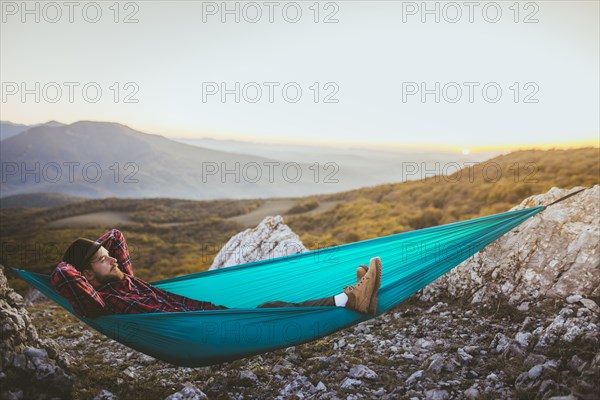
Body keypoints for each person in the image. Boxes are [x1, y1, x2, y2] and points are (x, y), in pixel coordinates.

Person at [51, 229, 382, 318]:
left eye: (109, 257)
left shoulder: (127, 279)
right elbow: (64, 275)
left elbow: (116, 235)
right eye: (103, 261)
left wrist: (99, 258)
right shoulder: (107, 300)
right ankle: (350, 299)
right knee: (271, 311)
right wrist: (83, 264)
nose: (113, 260)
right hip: (202, 327)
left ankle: (353, 295)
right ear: (88, 278)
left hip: (206, 312)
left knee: (269, 299)